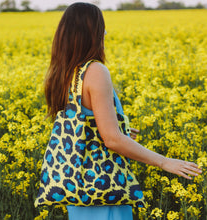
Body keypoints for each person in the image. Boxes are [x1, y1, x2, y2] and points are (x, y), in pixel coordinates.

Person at [44, 2, 202, 220]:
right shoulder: (95, 70)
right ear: (93, 32)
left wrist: (121, 130)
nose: (105, 33)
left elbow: (81, 126)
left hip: (79, 187)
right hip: (102, 186)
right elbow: (112, 140)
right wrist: (165, 162)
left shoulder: (63, 73)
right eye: (102, 28)